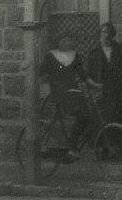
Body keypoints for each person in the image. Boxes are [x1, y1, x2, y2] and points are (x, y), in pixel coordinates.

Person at [40, 32, 99, 163]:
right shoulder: (51, 56)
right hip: (60, 93)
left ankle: (73, 143)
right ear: (58, 43)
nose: (67, 43)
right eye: (64, 41)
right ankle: (73, 147)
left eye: (68, 41)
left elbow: (83, 74)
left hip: (73, 91)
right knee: (83, 115)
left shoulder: (74, 55)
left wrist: (94, 84)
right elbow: (40, 71)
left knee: (89, 115)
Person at [84, 22, 122, 153]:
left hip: (118, 91)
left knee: (121, 118)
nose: (106, 35)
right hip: (102, 92)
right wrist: (93, 87)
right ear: (99, 34)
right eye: (104, 32)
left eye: (109, 32)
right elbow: (88, 74)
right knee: (103, 120)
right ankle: (104, 148)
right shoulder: (94, 53)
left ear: (112, 34)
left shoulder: (119, 50)